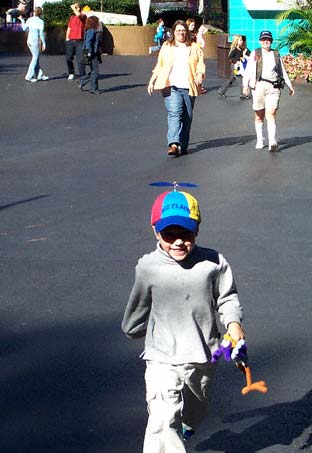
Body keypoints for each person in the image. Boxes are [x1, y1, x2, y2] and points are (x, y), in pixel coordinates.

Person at [122, 188, 245, 453]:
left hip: (202, 355)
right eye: (169, 235)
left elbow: (227, 297)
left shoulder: (213, 262)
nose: (178, 242)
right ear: (156, 232)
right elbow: (137, 306)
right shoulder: (147, 267)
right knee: (162, 420)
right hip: (161, 356)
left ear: (197, 230)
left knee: (196, 410)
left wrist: (234, 325)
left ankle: (188, 424)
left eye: (185, 234)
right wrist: (133, 327)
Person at [147, 20, 205, 157]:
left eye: (183, 30)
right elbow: (159, 65)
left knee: (187, 117)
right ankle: (173, 143)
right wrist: (152, 81)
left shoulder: (194, 47)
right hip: (171, 85)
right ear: (173, 32)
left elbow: (200, 65)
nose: (181, 33)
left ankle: (183, 145)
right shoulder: (167, 46)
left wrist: (199, 74)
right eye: (178, 30)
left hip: (189, 86)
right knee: (175, 113)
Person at [242, 30, 295, 151]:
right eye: (263, 39)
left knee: (271, 114)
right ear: (260, 41)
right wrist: (245, 85)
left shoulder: (275, 54)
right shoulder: (255, 53)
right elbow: (249, 70)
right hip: (258, 86)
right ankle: (260, 140)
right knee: (259, 115)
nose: (266, 41)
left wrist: (290, 85)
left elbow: (282, 71)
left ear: (271, 41)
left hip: (273, 87)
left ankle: (272, 141)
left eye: (268, 39)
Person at [19, 7, 49, 83]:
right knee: (35, 58)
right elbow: (41, 34)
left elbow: (24, 28)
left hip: (29, 41)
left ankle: (39, 75)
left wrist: (22, 20)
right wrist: (44, 43)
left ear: (34, 12)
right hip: (34, 41)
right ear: (41, 13)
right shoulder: (41, 22)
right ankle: (29, 76)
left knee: (36, 58)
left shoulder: (29, 19)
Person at [217, 34, 250, 99]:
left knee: (231, 79)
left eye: (242, 40)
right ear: (236, 41)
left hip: (241, 66)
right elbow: (230, 57)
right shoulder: (235, 49)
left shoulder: (243, 49)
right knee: (241, 79)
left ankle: (221, 90)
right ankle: (243, 94)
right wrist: (236, 61)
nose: (242, 42)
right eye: (240, 40)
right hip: (235, 66)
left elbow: (249, 54)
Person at [80, 15, 102, 94]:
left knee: (93, 71)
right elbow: (88, 42)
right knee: (95, 71)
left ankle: (82, 81)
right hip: (92, 53)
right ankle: (93, 88)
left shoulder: (89, 30)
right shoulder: (92, 30)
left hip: (92, 52)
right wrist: (89, 52)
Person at [65, 2, 86, 81]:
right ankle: (71, 72)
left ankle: (83, 75)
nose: (73, 8)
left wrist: (74, 8)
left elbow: (79, 16)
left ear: (79, 8)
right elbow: (69, 28)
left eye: (75, 7)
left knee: (80, 59)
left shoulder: (83, 16)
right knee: (68, 58)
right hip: (70, 40)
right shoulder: (72, 17)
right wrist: (67, 38)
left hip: (80, 41)